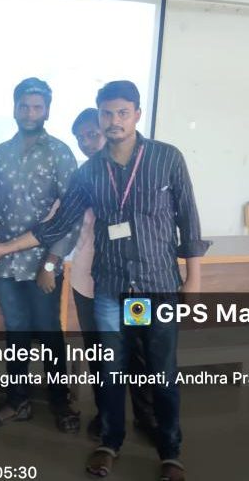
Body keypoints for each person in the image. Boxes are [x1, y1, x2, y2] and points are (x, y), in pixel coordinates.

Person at [0, 81, 208, 481]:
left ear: (137, 114)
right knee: (109, 369)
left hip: (154, 285)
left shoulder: (166, 157)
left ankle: (171, 453)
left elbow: (188, 220)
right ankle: (110, 443)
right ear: (99, 116)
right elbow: (57, 225)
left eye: (122, 113)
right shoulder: (89, 172)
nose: (114, 121)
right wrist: (3, 248)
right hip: (111, 289)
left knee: (160, 370)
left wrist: (194, 279)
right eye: (107, 113)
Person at [0, 77, 81, 433]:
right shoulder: (0, 153)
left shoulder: (60, 153)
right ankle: (17, 400)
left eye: (37, 107)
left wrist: (52, 262)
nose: (30, 113)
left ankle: (60, 402)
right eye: (24, 106)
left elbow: (71, 215)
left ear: (47, 111)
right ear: (14, 109)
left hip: (43, 263)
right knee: (17, 334)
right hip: (5, 263)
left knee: (49, 333)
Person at [69, 108, 156, 443]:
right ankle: (106, 416)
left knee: (139, 352)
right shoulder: (82, 177)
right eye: (80, 138)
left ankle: (147, 417)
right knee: (99, 354)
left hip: (133, 281)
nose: (87, 142)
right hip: (87, 283)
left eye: (92, 134)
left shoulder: (137, 173)